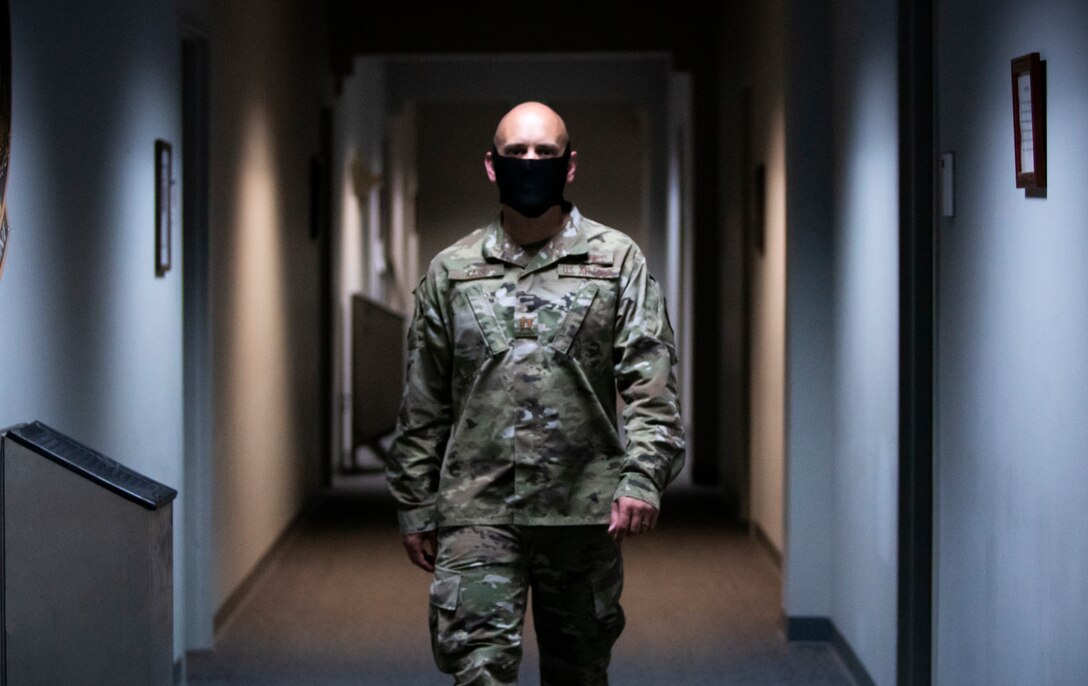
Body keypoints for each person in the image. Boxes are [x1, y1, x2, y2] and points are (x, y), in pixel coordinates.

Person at [387, 101, 685, 685]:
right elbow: (424, 399)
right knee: (478, 672)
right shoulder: (453, 271)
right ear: (492, 166)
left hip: (583, 512)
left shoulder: (616, 261)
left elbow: (651, 382)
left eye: (545, 153)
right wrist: (415, 501)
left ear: (569, 165)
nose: (530, 162)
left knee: (578, 671)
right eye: (516, 152)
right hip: (478, 507)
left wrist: (644, 475)